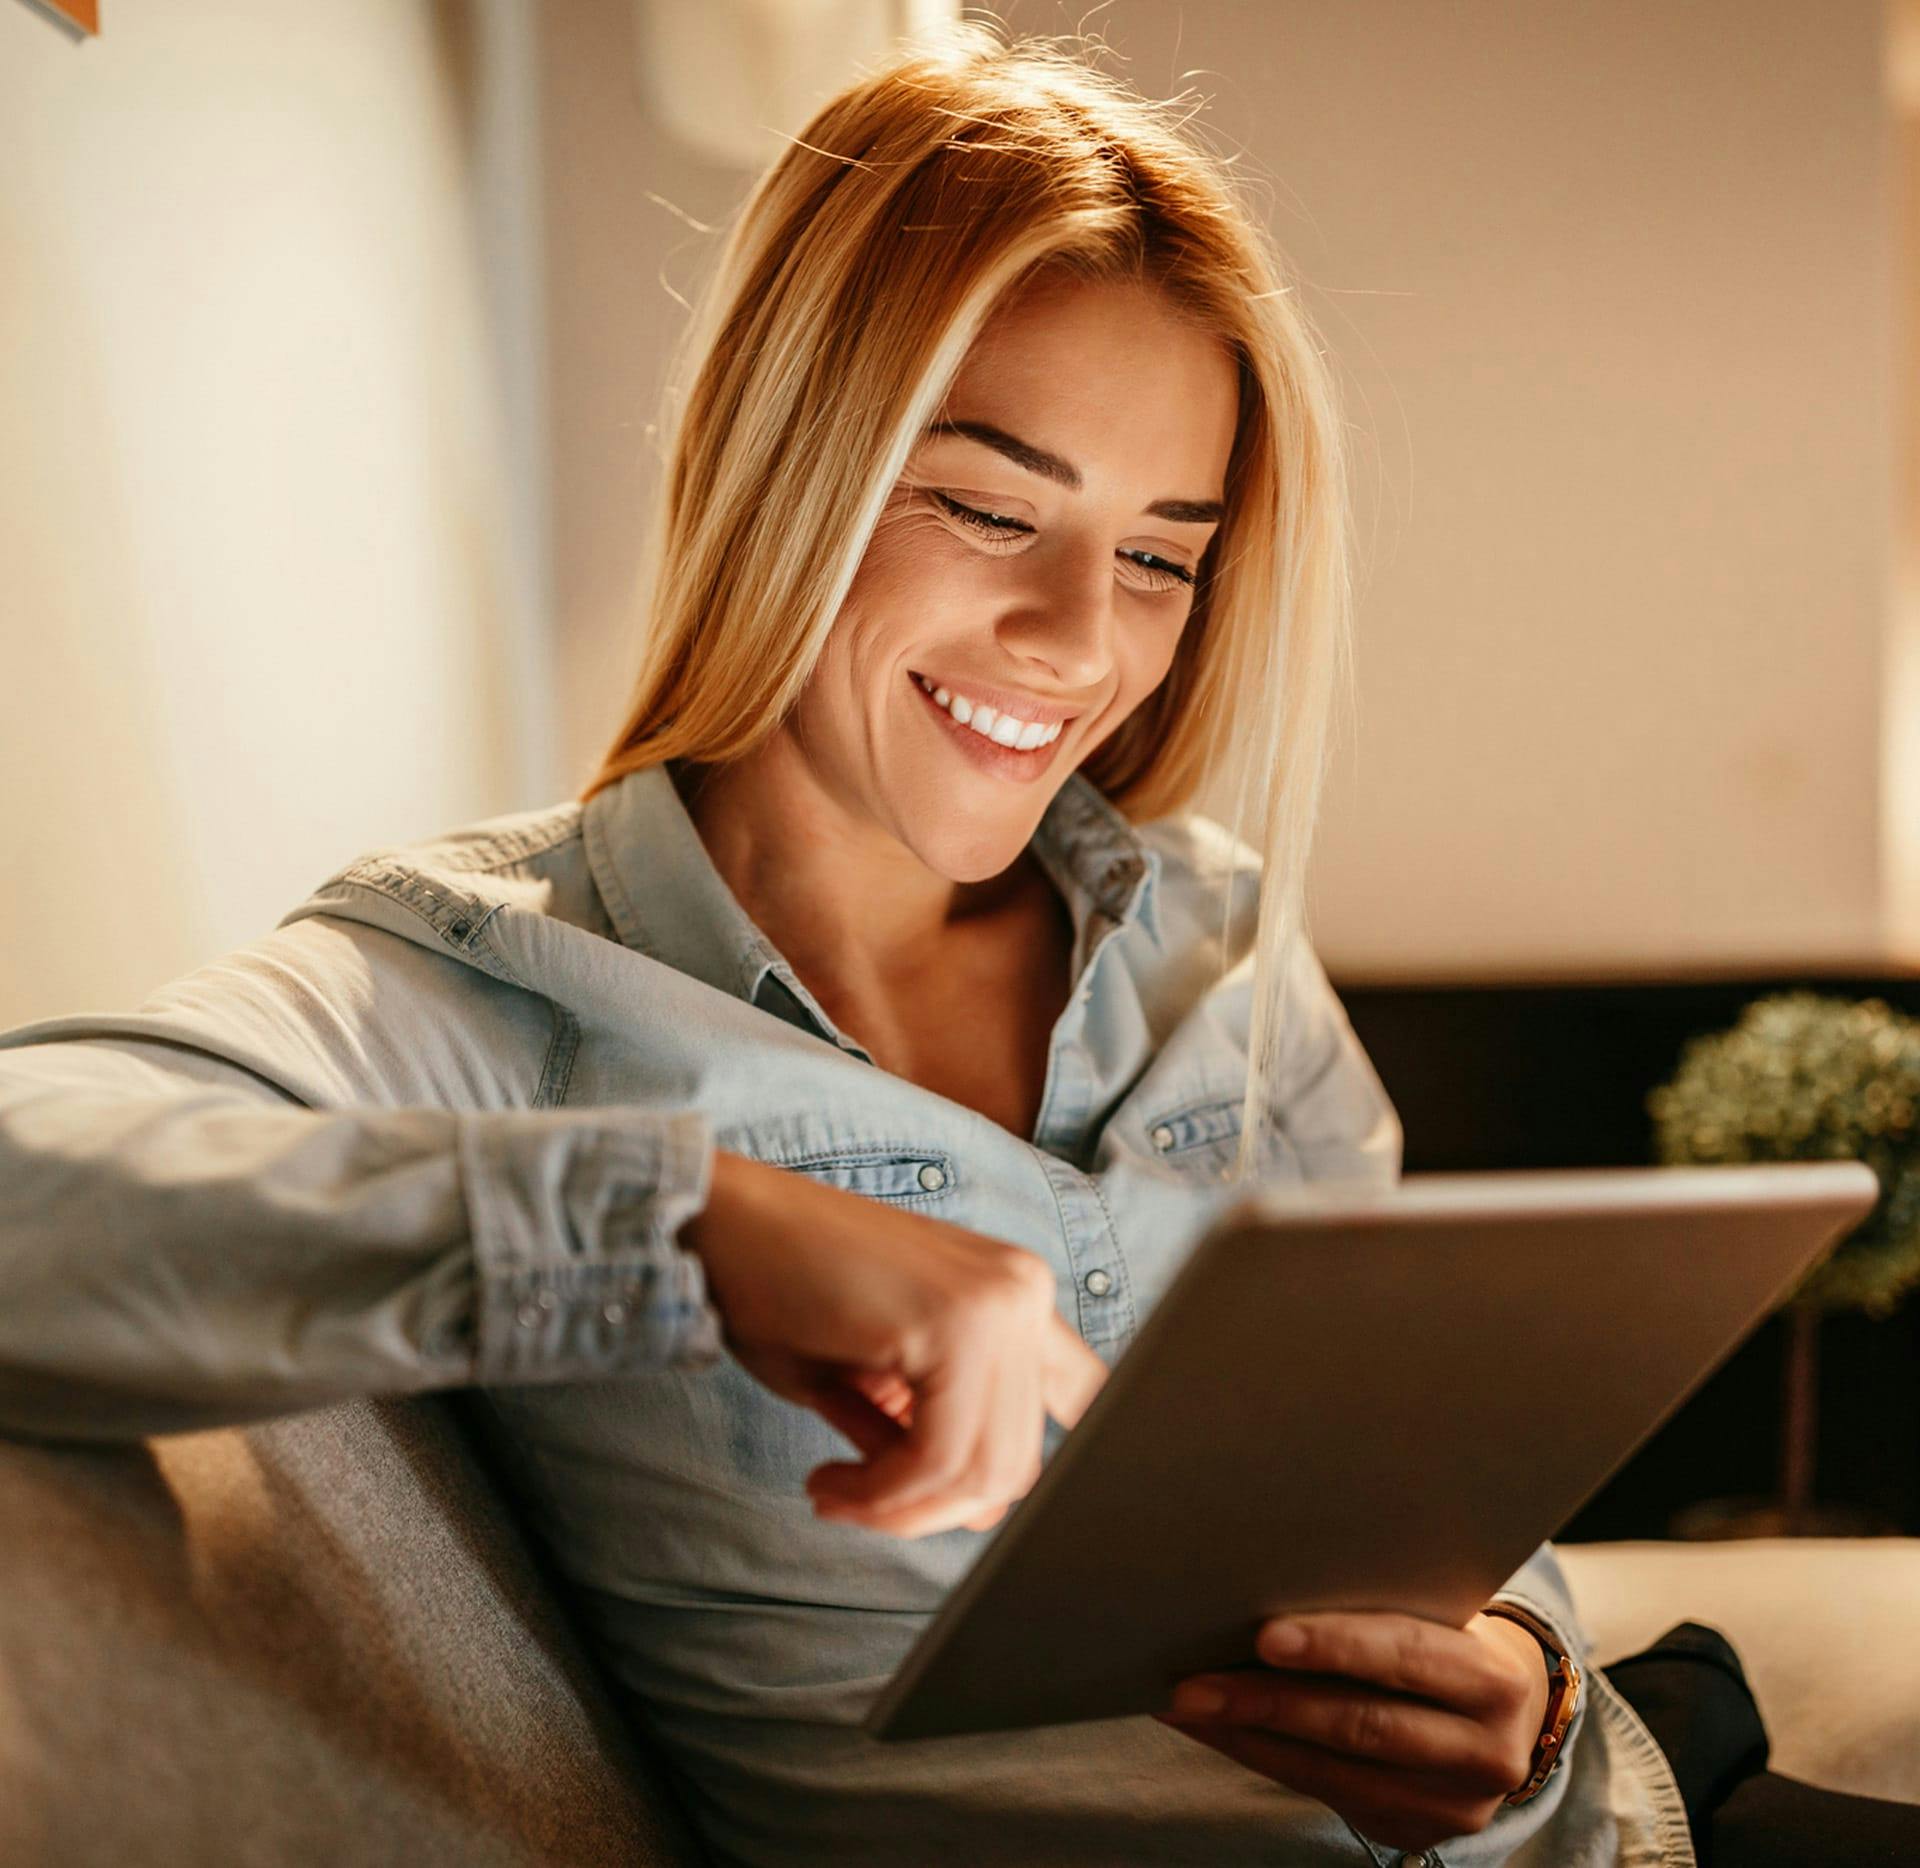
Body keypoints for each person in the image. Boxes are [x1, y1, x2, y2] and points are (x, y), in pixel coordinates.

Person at [1, 22, 1914, 1868]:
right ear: (787, 468)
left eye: (1162, 554)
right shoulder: (489, 991)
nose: (1084, 638)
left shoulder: (1218, 945)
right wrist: (691, 1220)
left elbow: (1455, 1542)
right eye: (995, 507)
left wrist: (1525, 1699)